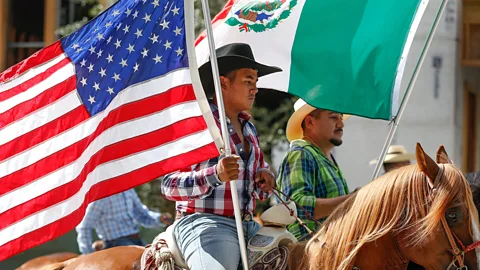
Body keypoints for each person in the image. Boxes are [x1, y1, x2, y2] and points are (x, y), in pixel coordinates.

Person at [161, 43, 281, 270]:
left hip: (248, 225)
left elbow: (253, 182)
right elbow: (169, 186)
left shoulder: (249, 128)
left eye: (256, 83)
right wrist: (215, 175)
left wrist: (265, 177)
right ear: (223, 82)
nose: (255, 89)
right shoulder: (196, 124)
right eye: (248, 81)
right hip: (204, 223)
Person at [276, 98, 356, 241]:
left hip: (330, 250)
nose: (341, 124)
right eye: (333, 117)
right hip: (308, 254)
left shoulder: (322, 157)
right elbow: (295, 207)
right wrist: (351, 200)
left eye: (341, 118)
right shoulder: (301, 154)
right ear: (310, 122)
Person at [76, 189, 172, 254]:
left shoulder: (128, 190)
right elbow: (84, 226)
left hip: (137, 240)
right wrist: (88, 253)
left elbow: (141, 214)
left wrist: (159, 218)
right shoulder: (101, 197)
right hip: (116, 245)